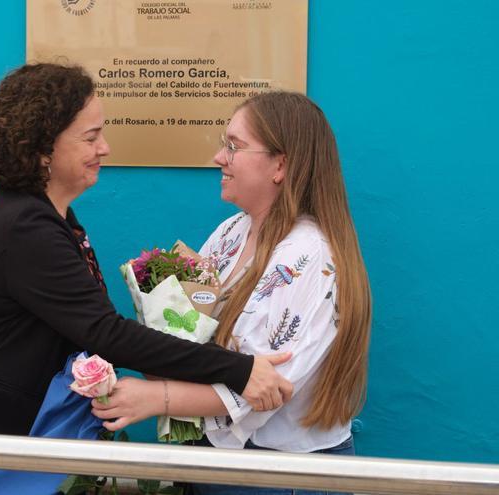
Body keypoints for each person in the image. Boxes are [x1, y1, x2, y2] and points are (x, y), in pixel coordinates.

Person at [0, 63, 295, 495]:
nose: (105, 148)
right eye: (90, 137)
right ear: (44, 149)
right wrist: (239, 370)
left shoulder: (50, 218)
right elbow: (104, 333)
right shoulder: (26, 226)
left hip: (21, 445)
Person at [91, 91, 372, 495]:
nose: (219, 158)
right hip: (222, 463)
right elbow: (203, 345)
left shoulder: (309, 256)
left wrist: (156, 397)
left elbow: (265, 387)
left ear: (281, 164)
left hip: (280, 477)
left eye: (234, 147)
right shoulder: (230, 233)